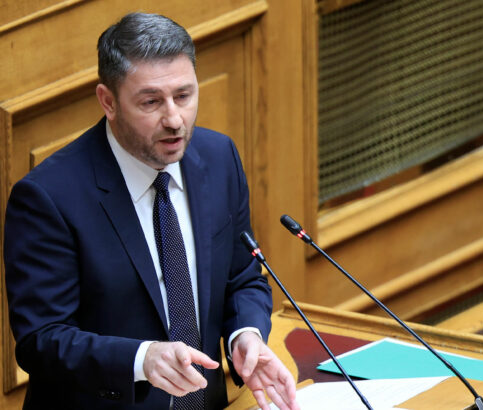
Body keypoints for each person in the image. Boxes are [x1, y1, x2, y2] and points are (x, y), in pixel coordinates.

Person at [3, 12, 299, 410]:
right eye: (151, 102)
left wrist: (245, 334)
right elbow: (42, 340)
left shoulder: (218, 157)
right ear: (108, 101)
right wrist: (142, 359)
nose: (174, 119)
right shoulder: (49, 197)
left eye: (184, 96)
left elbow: (242, 278)